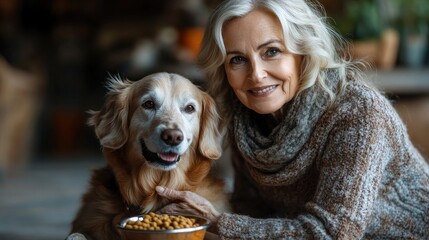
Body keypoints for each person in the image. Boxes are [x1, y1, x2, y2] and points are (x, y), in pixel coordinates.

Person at [156, 0, 429, 239]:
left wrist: (216, 222)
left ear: (303, 53)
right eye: (237, 59)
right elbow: (252, 213)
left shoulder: (358, 112)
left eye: (271, 52)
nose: (257, 74)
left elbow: (330, 234)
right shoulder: (244, 120)